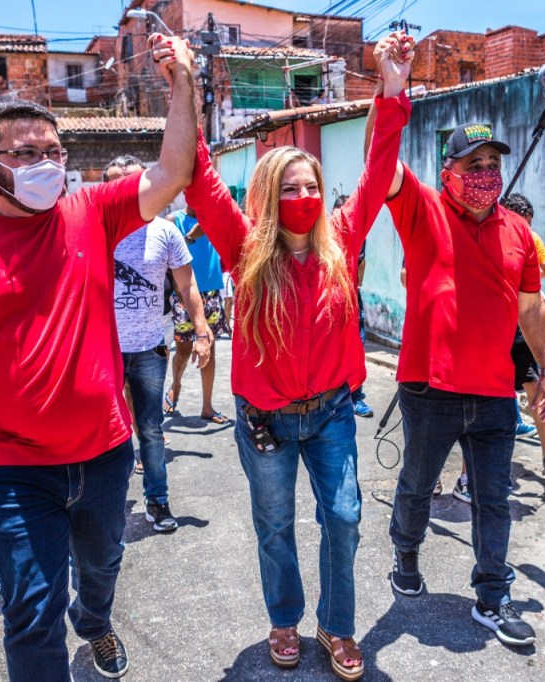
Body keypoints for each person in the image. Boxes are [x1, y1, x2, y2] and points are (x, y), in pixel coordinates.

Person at [0, 33, 198, 680]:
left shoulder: (93, 211)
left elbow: (172, 172)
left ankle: (96, 622)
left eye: (53, 151)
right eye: (27, 153)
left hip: (105, 453)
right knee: (31, 611)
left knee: (103, 566)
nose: (46, 164)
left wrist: (184, 83)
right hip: (10, 468)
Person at [181, 32, 413, 680]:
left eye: (311, 186)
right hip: (267, 421)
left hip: (332, 411)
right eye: (290, 188)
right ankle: (284, 617)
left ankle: (335, 625)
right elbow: (200, 182)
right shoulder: (243, 248)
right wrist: (184, 90)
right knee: (276, 526)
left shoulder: (342, 237)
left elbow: (378, 170)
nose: (304, 197)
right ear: (266, 194)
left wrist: (393, 88)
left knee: (344, 518)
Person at [381, 117, 545, 646]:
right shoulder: (422, 208)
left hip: (495, 391)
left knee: (493, 498)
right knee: (418, 484)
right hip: (429, 388)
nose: (485, 172)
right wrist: (390, 92)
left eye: (492, 164)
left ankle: (493, 596)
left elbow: (531, 307)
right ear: (448, 172)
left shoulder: (519, 231)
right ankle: (405, 553)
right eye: (473, 163)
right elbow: (381, 161)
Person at [104, 154, 212, 534]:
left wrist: (201, 331)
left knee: (150, 429)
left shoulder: (165, 232)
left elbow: (187, 284)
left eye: (134, 182)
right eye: (118, 183)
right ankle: (106, 505)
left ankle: (158, 500)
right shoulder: (96, 230)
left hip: (150, 348)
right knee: (107, 431)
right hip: (104, 351)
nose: (128, 191)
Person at [449, 193, 545, 505]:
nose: (525, 231)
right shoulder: (485, 238)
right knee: (480, 404)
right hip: (491, 333)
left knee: (535, 390)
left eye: (529, 225)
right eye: (521, 223)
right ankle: (465, 478)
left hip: (522, 332)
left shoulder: (530, 238)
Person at [164, 203, 229, 424]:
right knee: (183, 351)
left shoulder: (213, 216)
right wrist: (191, 237)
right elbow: (168, 258)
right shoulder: (173, 220)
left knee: (208, 349)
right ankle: (176, 385)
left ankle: (207, 407)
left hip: (211, 291)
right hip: (183, 293)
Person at [335, 193, 374, 419]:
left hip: (352, 300)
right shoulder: (323, 236)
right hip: (331, 300)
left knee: (357, 347)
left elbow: (360, 270)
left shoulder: (358, 235)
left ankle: (356, 397)